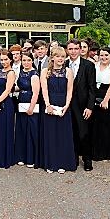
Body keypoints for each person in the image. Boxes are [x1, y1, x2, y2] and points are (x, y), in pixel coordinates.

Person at [41, 46, 76, 174]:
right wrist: (48, 105)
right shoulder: (45, 71)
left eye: (62, 56)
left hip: (63, 105)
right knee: (50, 135)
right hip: (50, 104)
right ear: (52, 57)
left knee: (63, 135)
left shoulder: (68, 71)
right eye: (58, 56)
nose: (60, 59)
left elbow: (69, 90)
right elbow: (44, 89)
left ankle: (62, 163)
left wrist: (67, 105)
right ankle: (50, 163)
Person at [66, 39, 96, 171]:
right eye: (70, 49)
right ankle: (73, 159)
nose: (73, 51)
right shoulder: (64, 63)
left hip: (83, 105)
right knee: (69, 132)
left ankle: (87, 159)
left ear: (80, 50)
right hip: (66, 104)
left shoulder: (88, 65)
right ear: (67, 50)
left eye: (75, 49)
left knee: (84, 133)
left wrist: (90, 107)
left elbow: (92, 88)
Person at [92, 47, 110, 161]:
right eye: (102, 55)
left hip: (107, 95)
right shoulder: (94, 65)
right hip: (95, 93)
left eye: (106, 55)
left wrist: (105, 101)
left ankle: (108, 152)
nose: (104, 58)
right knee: (96, 124)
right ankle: (96, 151)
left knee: (107, 124)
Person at [14, 51, 40, 168]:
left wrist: (31, 107)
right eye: (24, 60)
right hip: (21, 102)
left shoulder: (34, 74)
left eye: (28, 60)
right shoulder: (20, 72)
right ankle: (21, 157)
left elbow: (36, 93)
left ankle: (31, 158)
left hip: (31, 103)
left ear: (32, 61)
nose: (26, 62)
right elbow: (19, 87)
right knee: (21, 130)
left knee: (31, 131)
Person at [0, 50, 16, 168]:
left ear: (10, 59)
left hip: (6, 103)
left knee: (5, 130)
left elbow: (7, 90)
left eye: (6, 59)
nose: (4, 62)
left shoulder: (11, 73)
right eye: (1, 60)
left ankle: (5, 158)